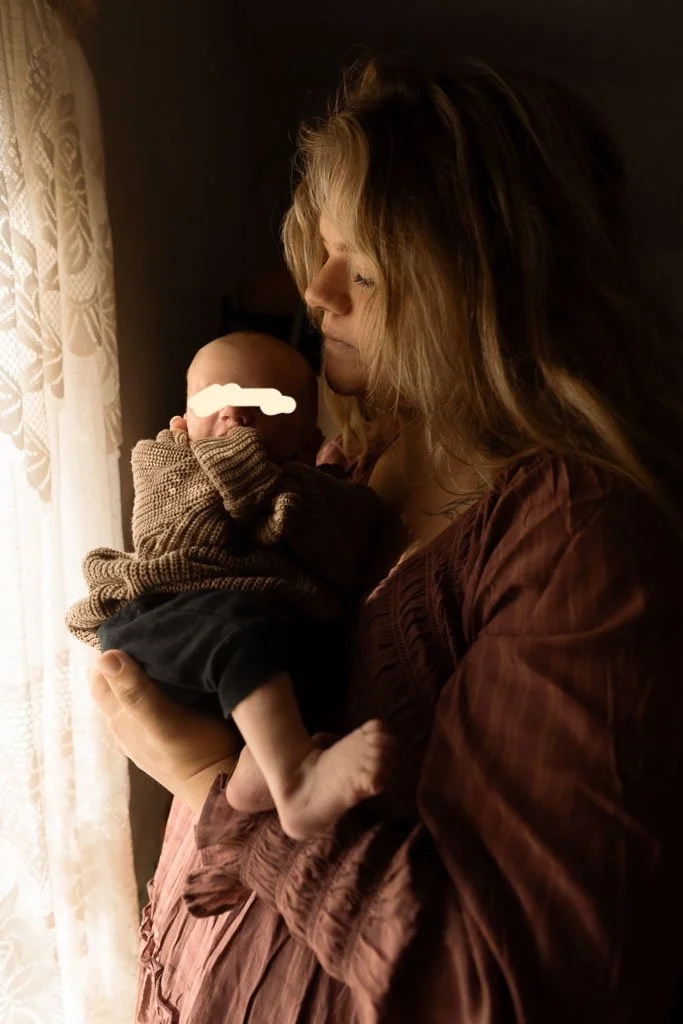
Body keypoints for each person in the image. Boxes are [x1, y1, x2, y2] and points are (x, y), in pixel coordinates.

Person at [88, 57, 683, 1023]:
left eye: (361, 268)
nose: (317, 292)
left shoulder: (576, 541)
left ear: (485, 291)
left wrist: (209, 785)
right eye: (325, 250)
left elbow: (513, 988)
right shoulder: (354, 467)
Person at [67, 330, 391, 840]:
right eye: (215, 399)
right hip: (168, 624)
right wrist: (249, 469)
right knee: (237, 625)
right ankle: (296, 781)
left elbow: (337, 553)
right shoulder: (166, 463)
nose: (236, 412)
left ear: (309, 445)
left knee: (320, 653)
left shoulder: (318, 492)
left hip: (257, 644)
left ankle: (254, 774)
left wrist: (278, 487)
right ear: (181, 424)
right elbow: (185, 538)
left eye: (266, 404)